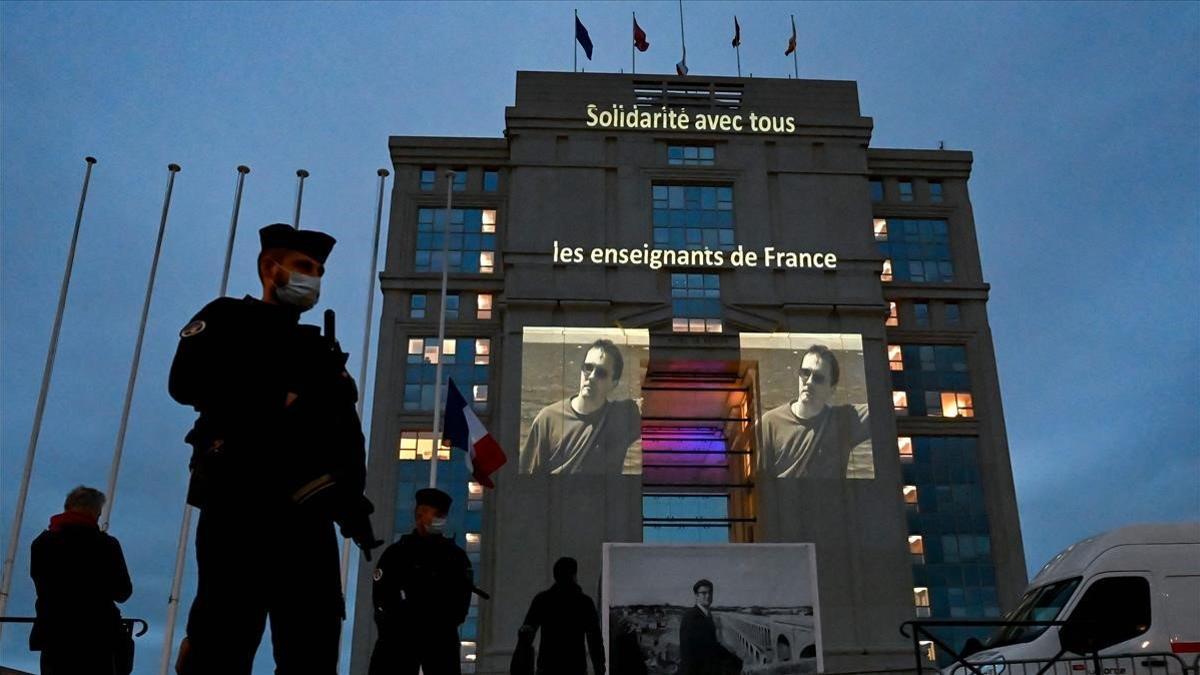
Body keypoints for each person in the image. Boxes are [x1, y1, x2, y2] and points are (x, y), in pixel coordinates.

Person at [169, 223, 381, 675]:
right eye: (305, 266)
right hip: (239, 504)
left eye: (320, 270)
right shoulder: (227, 318)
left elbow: (346, 432)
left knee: (313, 645)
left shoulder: (319, 349)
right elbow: (186, 382)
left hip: (308, 514)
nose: (314, 278)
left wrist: (351, 502)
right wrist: (274, 398)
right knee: (223, 639)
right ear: (271, 268)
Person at [29, 486, 133, 675]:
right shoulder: (106, 545)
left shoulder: (42, 543)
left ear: (67, 507)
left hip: (54, 635)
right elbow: (123, 592)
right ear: (96, 512)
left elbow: (41, 585)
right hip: (98, 637)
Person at [369, 487, 474, 675]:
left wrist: (443, 622)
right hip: (399, 636)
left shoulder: (454, 557)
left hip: (439, 636)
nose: (424, 519)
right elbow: (381, 595)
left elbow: (461, 599)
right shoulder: (398, 553)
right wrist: (393, 623)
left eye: (433, 514)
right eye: (422, 513)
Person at [519, 339, 641, 474]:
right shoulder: (548, 419)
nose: (592, 376)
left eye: (601, 373)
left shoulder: (623, 417)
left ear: (614, 384)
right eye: (588, 368)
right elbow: (526, 479)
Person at [757, 344, 871, 478]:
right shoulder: (769, 424)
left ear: (832, 388)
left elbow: (882, 409)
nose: (809, 382)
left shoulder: (844, 421)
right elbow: (757, 484)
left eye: (818, 378)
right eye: (805, 373)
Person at [518, 557, 606, 675]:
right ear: (574, 575)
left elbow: (527, 633)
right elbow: (594, 641)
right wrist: (600, 669)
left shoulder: (542, 600)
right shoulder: (584, 602)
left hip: (547, 666)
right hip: (575, 666)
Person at [678, 579, 742, 675]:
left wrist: (734, 659)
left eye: (710, 592)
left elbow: (712, 645)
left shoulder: (706, 615)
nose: (708, 596)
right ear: (696, 596)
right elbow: (690, 653)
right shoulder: (691, 617)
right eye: (704, 593)